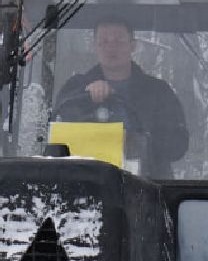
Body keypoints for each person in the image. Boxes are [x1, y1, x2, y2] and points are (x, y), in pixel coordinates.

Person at [54, 17, 189, 178]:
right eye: (104, 41)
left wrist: (143, 136)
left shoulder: (158, 92)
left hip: (148, 190)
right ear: (94, 47)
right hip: (84, 185)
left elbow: (177, 146)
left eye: (118, 41)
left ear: (133, 46)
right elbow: (57, 137)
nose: (111, 47)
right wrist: (85, 99)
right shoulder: (74, 90)